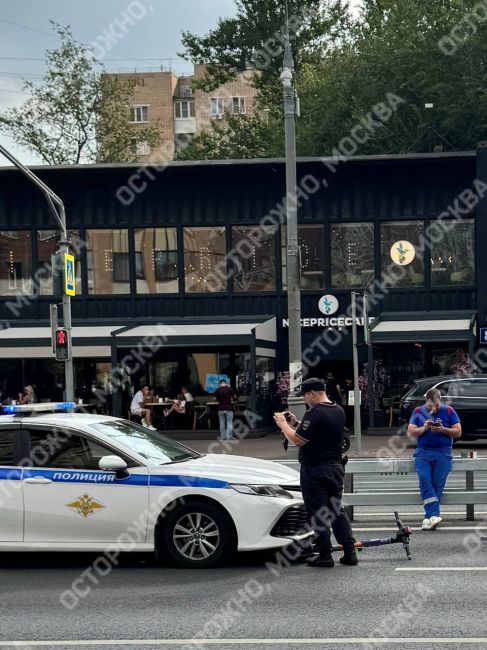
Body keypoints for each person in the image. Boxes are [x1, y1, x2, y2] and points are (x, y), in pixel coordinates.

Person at [274, 377, 358, 568]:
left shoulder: (314, 413)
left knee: (318, 513)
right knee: (336, 511)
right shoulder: (338, 410)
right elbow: (316, 432)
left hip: (315, 470)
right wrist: (296, 423)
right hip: (336, 468)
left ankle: (324, 556)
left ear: (312, 394)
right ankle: (350, 551)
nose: (305, 400)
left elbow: (299, 441)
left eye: (305, 396)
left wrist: (283, 424)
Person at [407, 387, 461, 530]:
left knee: (437, 485)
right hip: (423, 453)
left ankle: (428, 518)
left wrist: (442, 429)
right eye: (431, 406)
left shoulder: (449, 411)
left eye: (437, 405)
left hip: (443, 453)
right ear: (426, 401)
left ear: (440, 400)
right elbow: (411, 432)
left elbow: (458, 432)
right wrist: (424, 428)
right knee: (425, 481)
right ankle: (433, 515)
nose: (434, 409)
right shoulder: (418, 411)